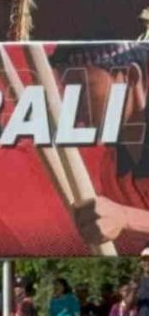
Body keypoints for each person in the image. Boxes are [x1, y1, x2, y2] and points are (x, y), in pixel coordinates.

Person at [47, 43, 149, 246]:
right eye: (69, 97)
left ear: (130, 78)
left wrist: (125, 217)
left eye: (83, 92)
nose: (75, 113)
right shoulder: (111, 169)